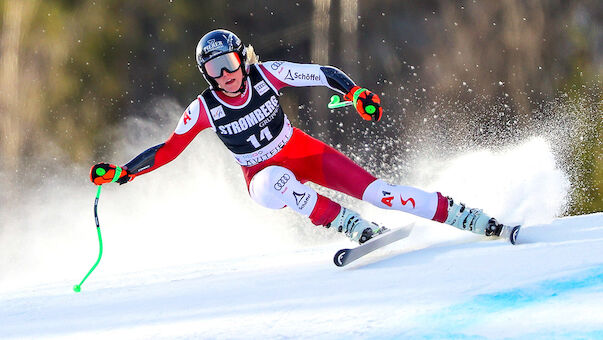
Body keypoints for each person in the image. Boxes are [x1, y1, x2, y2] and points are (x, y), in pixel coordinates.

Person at [90, 29, 516, 244]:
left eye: (230, 63)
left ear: (242, 58)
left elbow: (324, 75)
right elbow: (167, 150)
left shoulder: (267, 74)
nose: (227, 75)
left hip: (303, 151)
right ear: (207, 75)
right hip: (262, 177)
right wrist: (124, 173)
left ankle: (468, 217)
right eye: (215, 70)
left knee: (381, 193)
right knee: (276, 184)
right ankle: (351, 226)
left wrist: (356, 94)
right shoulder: (204, 108)